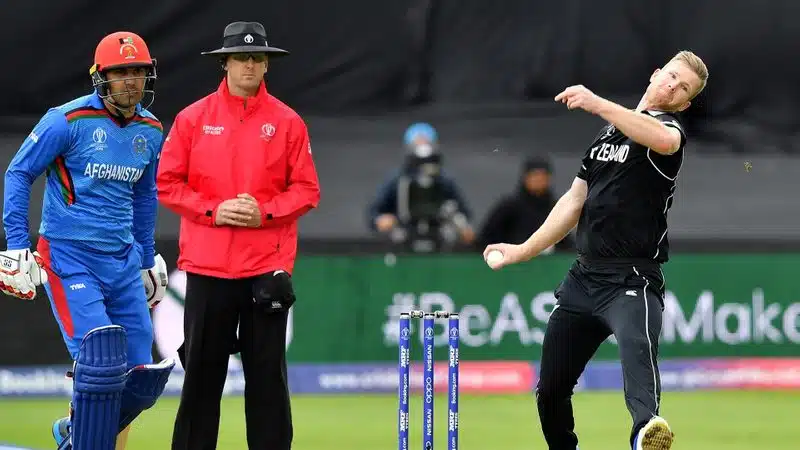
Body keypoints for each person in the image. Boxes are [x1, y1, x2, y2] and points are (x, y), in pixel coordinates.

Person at [483, 50, 709, 450]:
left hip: (632, 278)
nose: (673, 86)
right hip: (583, 278)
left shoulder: (669, 129)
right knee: (550, 391)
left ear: (684, 104)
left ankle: (646, 431)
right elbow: (574, 202)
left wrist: (597, 102)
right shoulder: (606, 138)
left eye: (683, 88)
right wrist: (522, 250)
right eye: (672, 76)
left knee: (638, 354)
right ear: (656, 73)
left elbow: (663, 139)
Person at [0, 31, 173, 450]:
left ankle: (74, 431)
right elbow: (19, 173)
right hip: (68, 256)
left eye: (138, 72)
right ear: (101, 77)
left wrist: (147, 258)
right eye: (121, 72)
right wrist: (17, 244)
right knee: (101, 362)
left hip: (124, 261)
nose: (131, 81)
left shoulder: (151, 129)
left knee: (143, 378)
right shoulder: (66, 120)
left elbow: (145, 196)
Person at [156, 21, 321, 450]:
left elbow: (307, 190)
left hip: (265, 269)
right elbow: (167, 183)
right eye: (241, 57)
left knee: (267, 384)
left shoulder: (288, 122)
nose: (249, 65)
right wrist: (215, 210)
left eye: (257, 58)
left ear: (267, 65)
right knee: (200, 382)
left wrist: (263, 213)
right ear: (224, 63)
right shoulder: (192, 119)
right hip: (208, 269)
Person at [367, 122, 474, 252]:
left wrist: (462, 226)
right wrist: (381, 220)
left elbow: (463, 211)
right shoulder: (398, 180)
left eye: (426, 142)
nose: (422, 147)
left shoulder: (445, 181)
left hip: (440, 237)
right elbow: (374, 213)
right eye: (417, 142)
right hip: (404, 236)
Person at [477, 156, 573, 253]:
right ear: (525, 178)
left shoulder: (556, 207)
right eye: (535, 175)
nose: (539, 180)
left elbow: (567, 244)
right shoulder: (509, 207)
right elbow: (486, 239)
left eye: (543, 176)